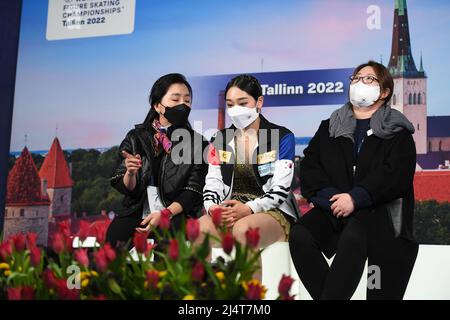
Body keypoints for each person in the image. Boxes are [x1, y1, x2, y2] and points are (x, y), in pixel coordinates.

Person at [289, 61, 419, 300]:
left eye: (369, 79)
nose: (360, 83)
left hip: (379, 214)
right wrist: (334, 200)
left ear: (385, 91)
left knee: (357, 238)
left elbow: (395, 176)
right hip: (334, 209)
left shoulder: (398, 131)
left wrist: (355, 198)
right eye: (356, 78)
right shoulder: (330, 126)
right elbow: (309, 167)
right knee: (300, 235)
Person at [196, 74, 300, 278]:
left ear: (259, 102)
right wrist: (213, 208)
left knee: (245, 230)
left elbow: (280, 190)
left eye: (243, 102)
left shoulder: (282, 136)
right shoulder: (220, 138)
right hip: (231, 210)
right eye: (230, 104)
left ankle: (250, 298)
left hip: (273, 212)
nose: (236, 109)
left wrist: (249, 208)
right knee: (200, 228)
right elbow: (213, 181)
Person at [106, 73, 208, 248]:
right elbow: (126, 187)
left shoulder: (198, 143)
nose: (183, 105)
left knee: (170, 252)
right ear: (157, 105)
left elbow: (193, 190)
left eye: (187, 100)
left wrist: (165, 214)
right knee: (114, 243)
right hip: (137, 210)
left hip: (175, 213)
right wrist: (130, 173)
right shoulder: (135, 137)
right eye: (175, 99)